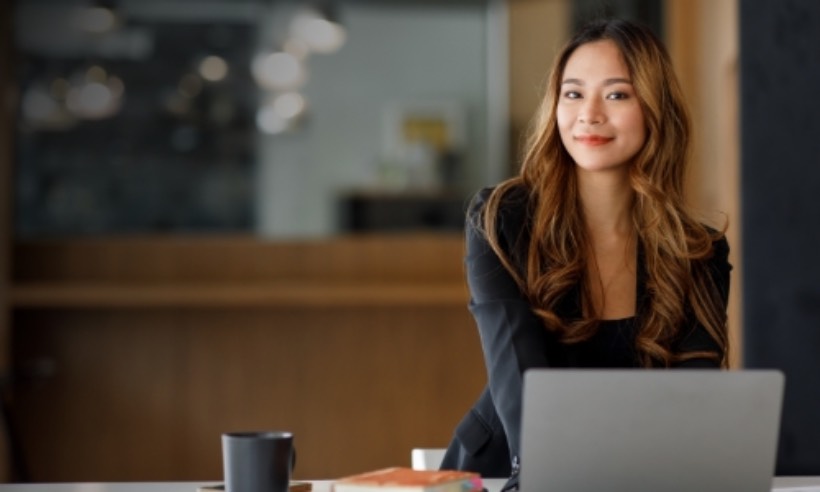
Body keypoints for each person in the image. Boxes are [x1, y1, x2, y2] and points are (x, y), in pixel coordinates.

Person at [440, 18, 732, 490]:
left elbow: (692, 395)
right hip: (507, 470)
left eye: (617, 95)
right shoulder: (499, 218)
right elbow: (516, 369)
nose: (589, 114)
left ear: (656, 111)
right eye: (573, 94)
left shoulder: (699, 249)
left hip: (639, 475)